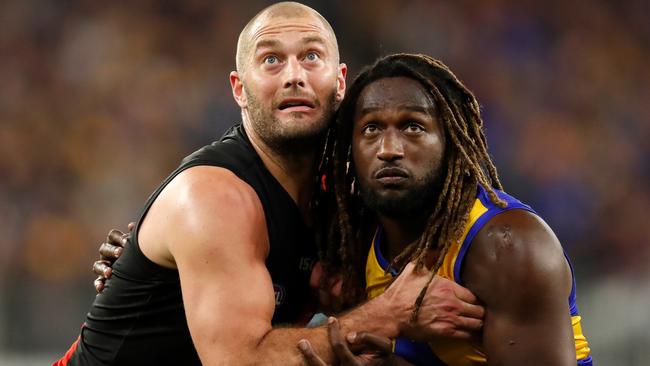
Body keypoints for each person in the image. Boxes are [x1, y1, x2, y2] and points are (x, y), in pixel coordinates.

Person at [54, 4, 485, 366]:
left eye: (312, 56)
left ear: (339, 83)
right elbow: (242, 361)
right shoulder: (214, 197)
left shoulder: (344, 190)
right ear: (240, 90)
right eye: (271, 60)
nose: (293, 75)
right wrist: (388, 315)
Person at [298, 54, 593, 365]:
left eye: (412, 127)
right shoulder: (357, 239)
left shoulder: (509, 246)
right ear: (350, 147)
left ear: (450, 141)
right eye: (371, 129)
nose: (388, 150)